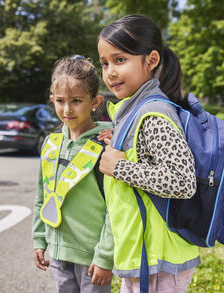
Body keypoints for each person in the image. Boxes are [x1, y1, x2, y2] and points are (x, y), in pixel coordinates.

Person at [97, 15, 200, 293]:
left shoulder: (154, 113)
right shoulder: (132, 110)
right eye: (104, 63)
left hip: (159, 260)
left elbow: (182, 180)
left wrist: (121, 168)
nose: (110, 72)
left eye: (120, 60)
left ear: (151, 60)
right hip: (144, 254)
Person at [32, 55, 114, 293]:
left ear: (95, 101)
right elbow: (42, 195)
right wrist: (39, 239)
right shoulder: (50, 142)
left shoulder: (105, 145)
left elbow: (114, 207)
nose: (67, 109)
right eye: (60, 101)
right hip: (58, 251)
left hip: (92, 256)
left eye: (76, 100)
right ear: (52, 100)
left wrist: (105, 256)